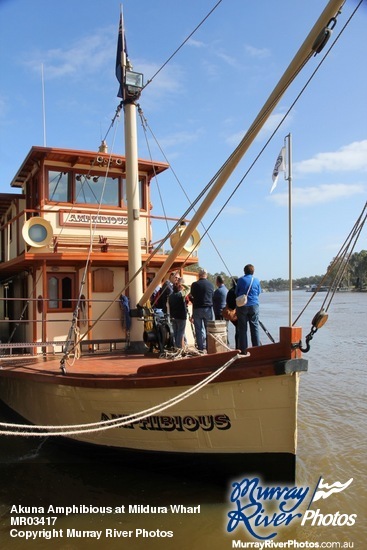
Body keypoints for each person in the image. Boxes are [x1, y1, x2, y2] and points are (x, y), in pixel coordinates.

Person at [236, 264, 262, 353]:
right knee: (254, 327)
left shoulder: (240, 280)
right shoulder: (256, 280)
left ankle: (243, 350)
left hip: (243, 306)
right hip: (254, 305)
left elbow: (237, 292)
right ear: (253, 271)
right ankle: (256, 349)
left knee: (242, 328)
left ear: (244, 271)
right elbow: (258, 292)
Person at [189, 268, 214, 351]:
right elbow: (212, 297)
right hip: (208, 309)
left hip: (197, 309)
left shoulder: (194, 285)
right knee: (208, 329)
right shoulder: (211, 285)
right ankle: (208, 347)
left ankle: (200, 347)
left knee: (198, 329)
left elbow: (191, 296)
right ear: (206, 275)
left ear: (199, 275)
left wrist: (194, 301)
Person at [168, 277, 190, 348]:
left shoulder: (170, 296)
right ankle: (179, 346)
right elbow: (188, 289)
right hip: (181, 316)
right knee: (181, 332)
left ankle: (176, 346)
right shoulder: (181, 294)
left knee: (175, 332)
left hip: (174, 316)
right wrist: (182, 284)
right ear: (179, 288)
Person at [226, 276, 239, 349]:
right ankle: (239, 346)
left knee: (237, 329)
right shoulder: (238, 291)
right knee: (239, 330)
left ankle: (237, 346)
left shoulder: (230, 291)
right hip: (237, 313)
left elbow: (227, 301)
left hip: (230, 313)